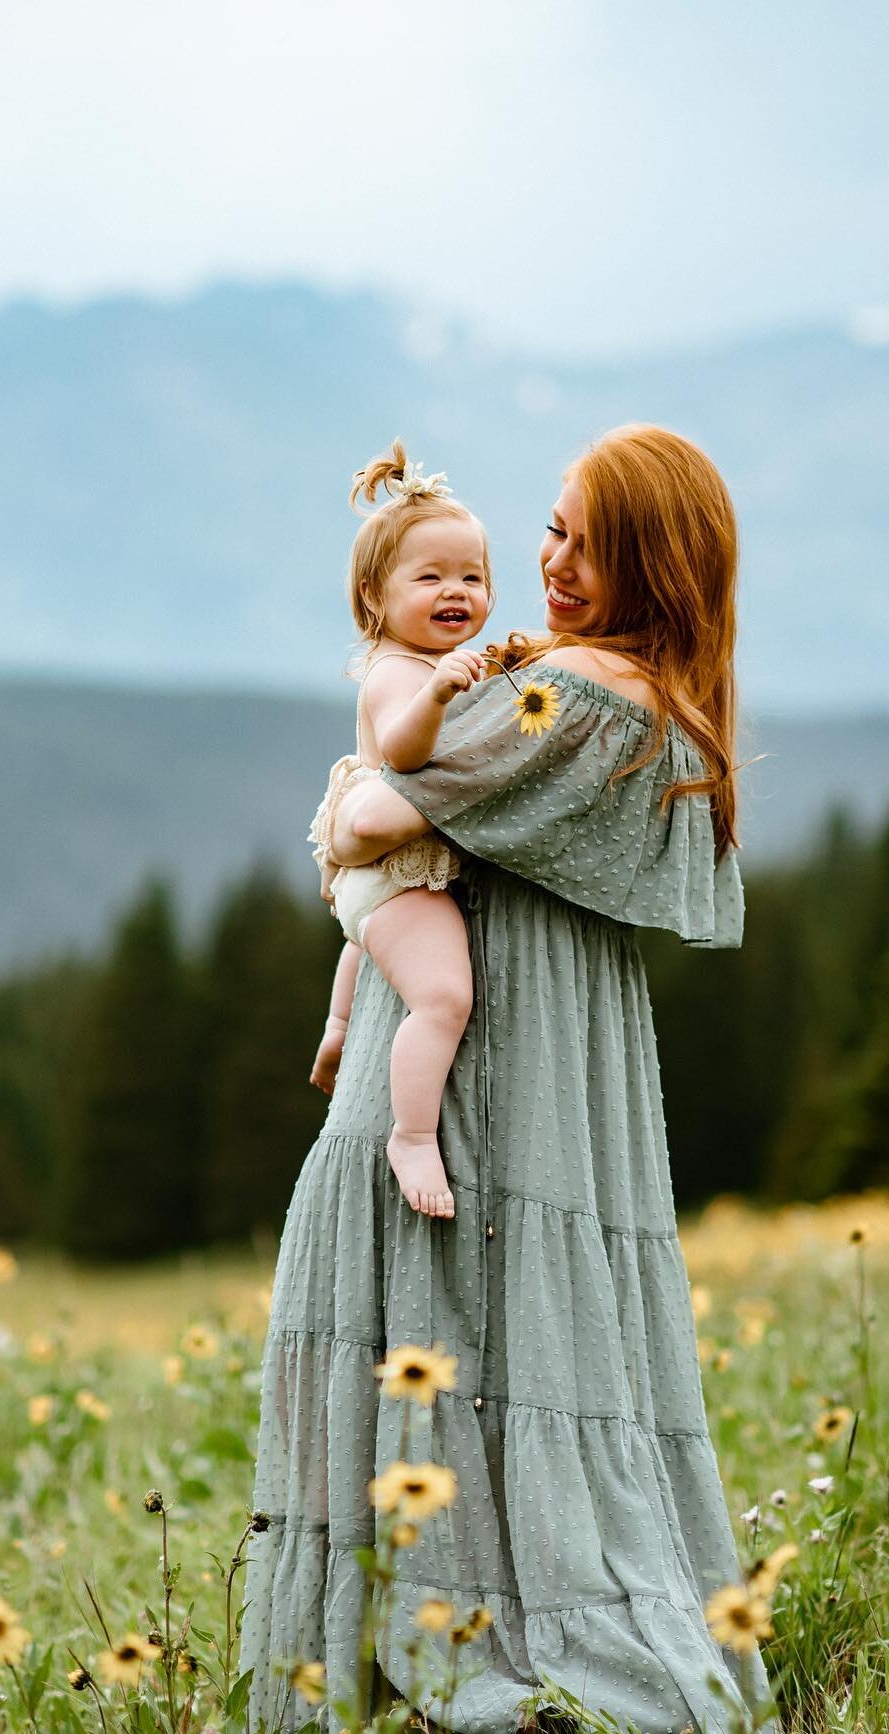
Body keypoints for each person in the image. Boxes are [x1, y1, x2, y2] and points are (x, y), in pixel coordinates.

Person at [239, 423, 795, 1734]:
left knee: (424, 1297)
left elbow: (367, 818)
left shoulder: (574, 697)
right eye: (545, 530)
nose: (547, 561)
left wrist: (372, 785)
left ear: (646, 558)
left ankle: (441, 1675)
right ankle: (451, 1652)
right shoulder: (638, 695)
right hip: (556, 1044)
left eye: (578, 536)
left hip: (499, 1044)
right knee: (515, 1331)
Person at [306, 440, 492, 1218]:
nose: (456, 592)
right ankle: (411, 1134)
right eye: (431, 577)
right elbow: (409, 755)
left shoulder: (420, 661)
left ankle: (341, 1024)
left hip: (371, 886)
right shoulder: (396, 673)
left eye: (473, 577)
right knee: (445, 997)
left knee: (371, 944)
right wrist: (443, 694)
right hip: (396, 872)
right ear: (374, 599)